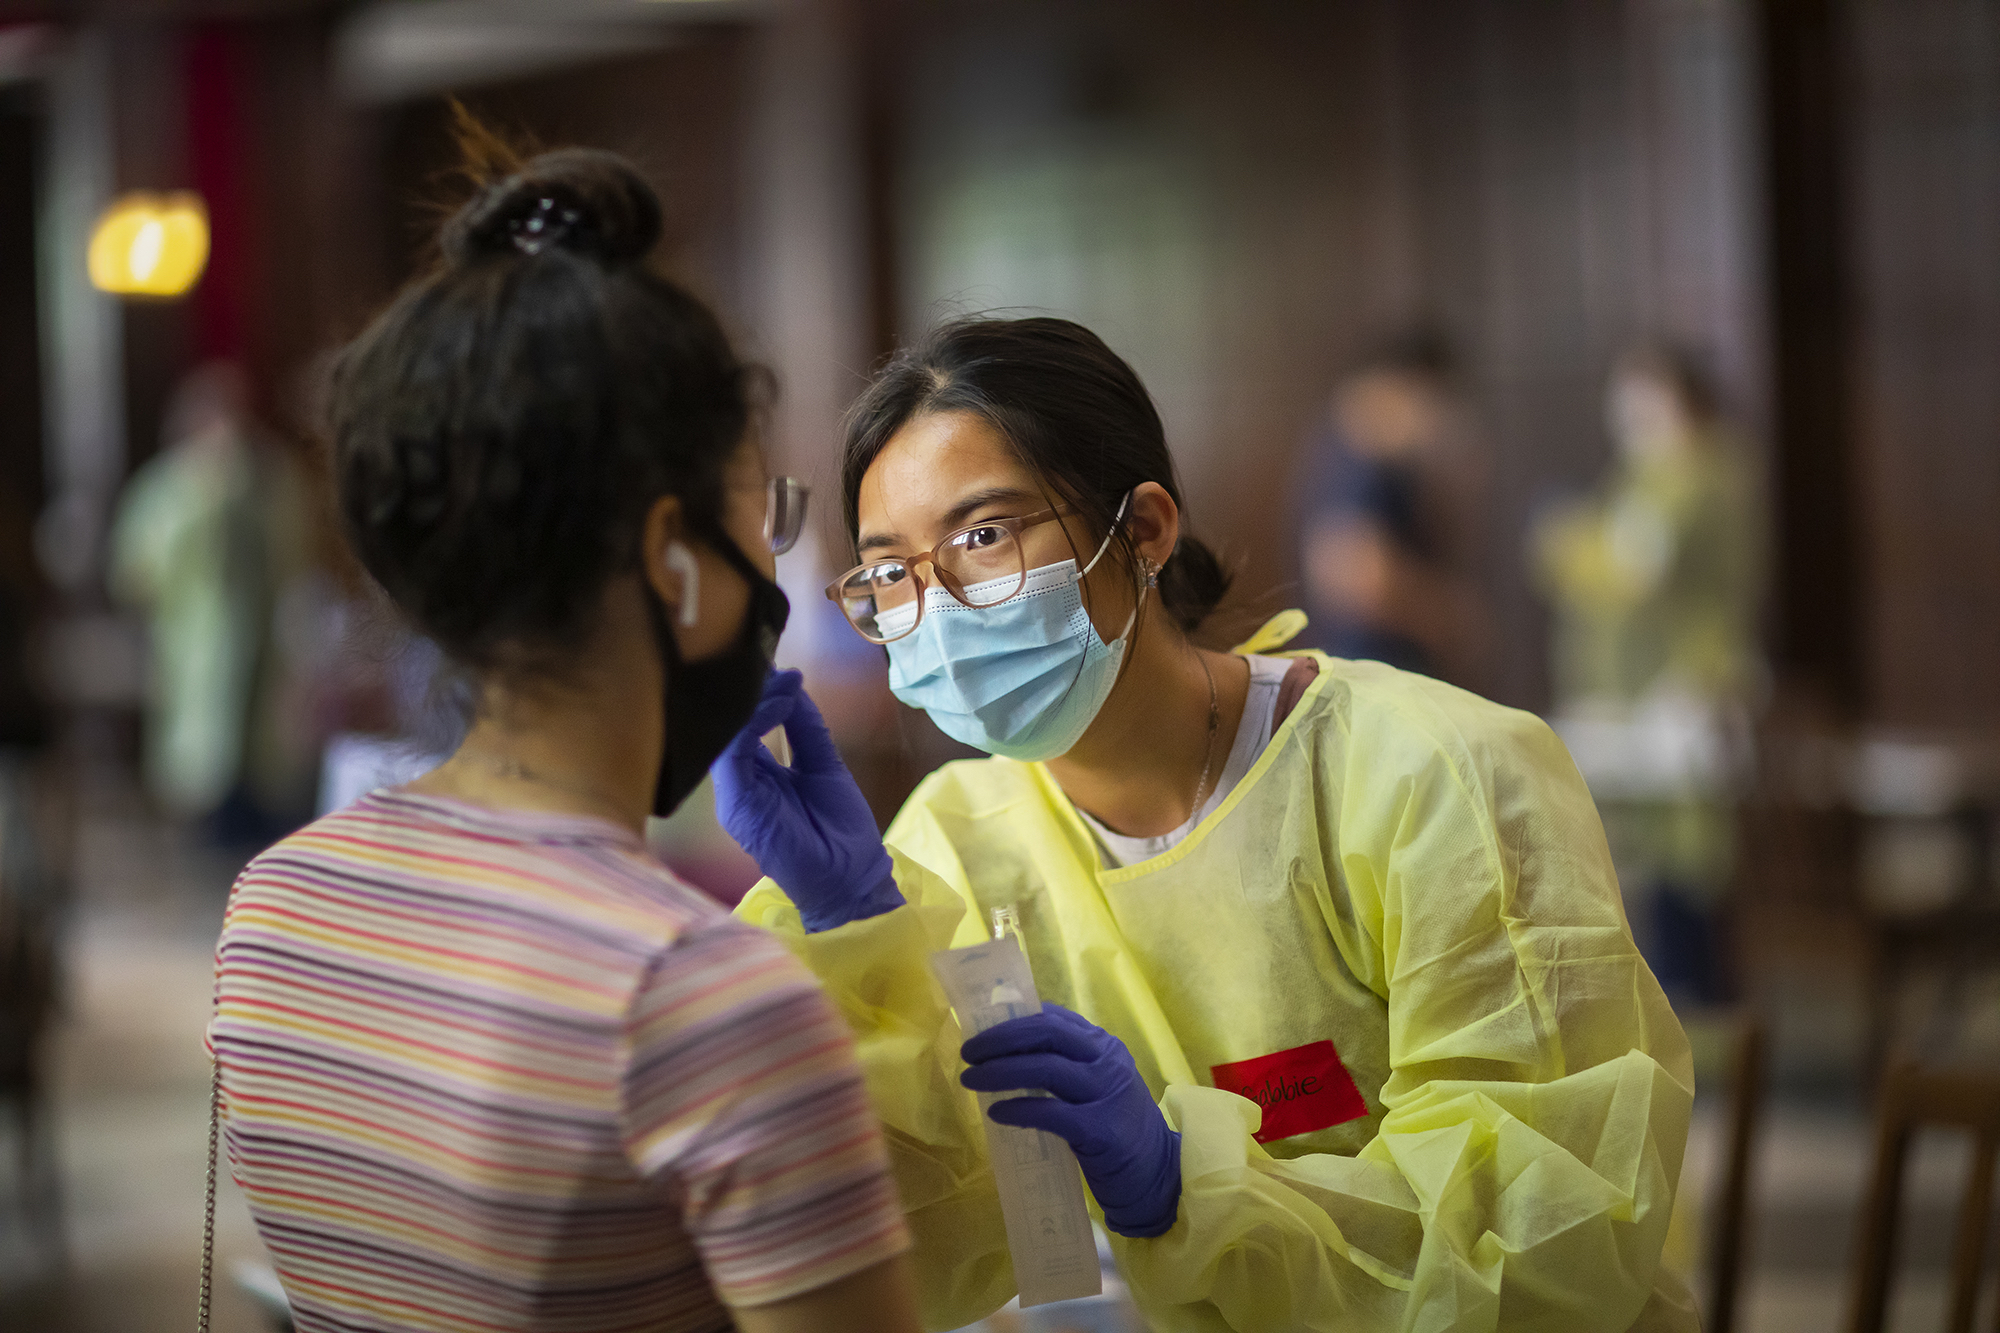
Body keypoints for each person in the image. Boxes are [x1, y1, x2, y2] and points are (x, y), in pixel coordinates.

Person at [715, 317, 1696, 1332]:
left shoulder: (1431, 774)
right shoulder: (954, 847)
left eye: (982, 536)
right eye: (889, 573)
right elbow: (912, 1242)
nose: (940, 609)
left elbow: (1540, 1245)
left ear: (1142, 528)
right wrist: (851, 933)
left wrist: (1184, 1190)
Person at [207, 141, 923, 1333]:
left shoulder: (274, 902)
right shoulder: (698, 1001)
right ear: (674, 563)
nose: (775, 562)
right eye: (766, 512)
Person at [1531, 346, 1764, 1005]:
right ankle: (1676, 994)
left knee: (1688, 852)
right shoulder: (1647, 476)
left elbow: (1632, 566)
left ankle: (1700, 1002)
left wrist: (1564, 545)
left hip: (1684, 688)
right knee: (1651, 849)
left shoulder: (1698, 474)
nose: (1631, 416)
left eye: (1644, 398)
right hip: (1636, 696)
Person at [1295, 332, 1480, 681]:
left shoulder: (1372, 457)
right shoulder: (1355, 453)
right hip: (1369, 675)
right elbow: (1355, 572)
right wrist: (1448, 619)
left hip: (1379, 676)